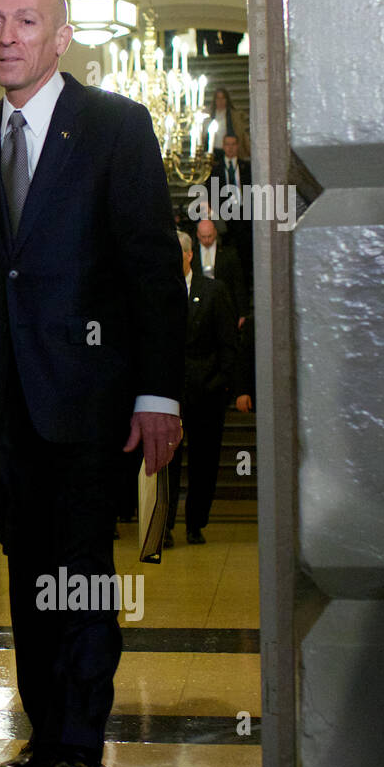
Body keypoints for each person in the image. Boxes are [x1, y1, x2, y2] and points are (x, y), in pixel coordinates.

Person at [0, 0, 185, 767]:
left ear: (61, 37)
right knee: (27, 573)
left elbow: (153, 267)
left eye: (25, 21)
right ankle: (45, 733)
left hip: (90, 399)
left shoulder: (116, 127)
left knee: (80, 575)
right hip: (5, 408)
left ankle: (81, 748)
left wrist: (157, 390)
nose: (6, 36)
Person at [165, 231, 237, 546]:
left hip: (206, 392)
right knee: (165, 464)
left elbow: (228, 344)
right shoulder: (160, 292)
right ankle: (163, 526)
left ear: (189, 254)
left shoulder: (213, 291)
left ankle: (196, 523)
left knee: (204, 463)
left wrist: (219, 382)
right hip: (169, 395)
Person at [210, 134, 254, 278]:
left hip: (244, 215)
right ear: (223, 146)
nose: (230, 147)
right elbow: (210, 192)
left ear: (237, 146)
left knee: (245, 254)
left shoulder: (246, 167)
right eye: (227, 144)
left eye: (233, 144)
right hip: (224, 215)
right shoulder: (215, 169)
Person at [196, 218, 247, 327]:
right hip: (199, 307)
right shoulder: (192, 255)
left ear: (215, 232)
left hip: (224, 306)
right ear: (198, 235)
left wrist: (242, 312)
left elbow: (238, 284)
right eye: (203, 237)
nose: (207, 240)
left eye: (209, 236)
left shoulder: (229, 254)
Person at [208, 86, 250, 156]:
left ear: (227, 100)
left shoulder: (234, 116)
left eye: (223, 98)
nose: (220, 101)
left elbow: (241, 133)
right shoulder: (209, 116)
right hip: (213, 151)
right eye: (218, 98)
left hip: (229, 151)